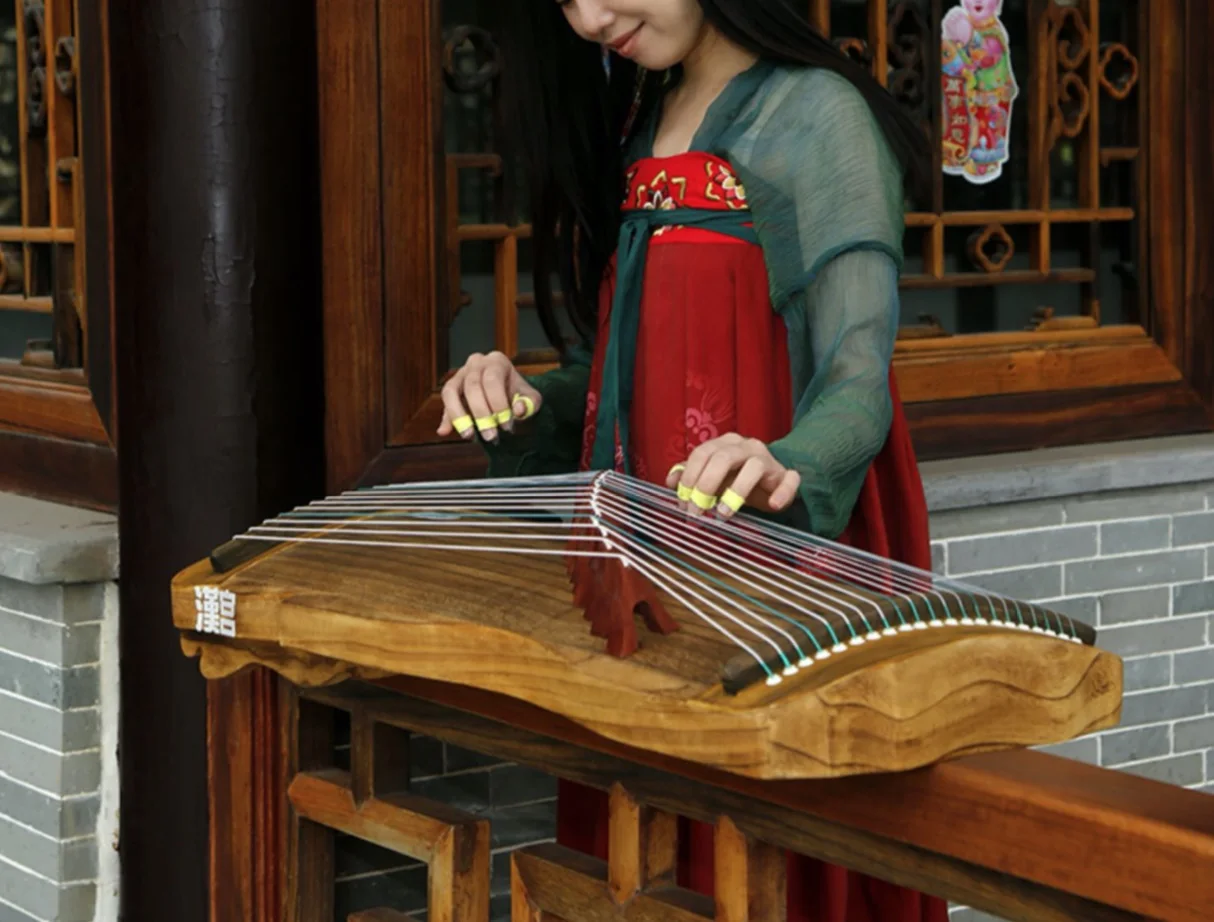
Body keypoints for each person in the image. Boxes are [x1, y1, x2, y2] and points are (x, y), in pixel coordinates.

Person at [438, 2, 943, 920]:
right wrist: (519, 402)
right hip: (644, 580)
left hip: (775, 565)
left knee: (763, 867)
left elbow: (856, 381)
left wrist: (785, 460)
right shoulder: (641, 115)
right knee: (646, 864)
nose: (591, 18)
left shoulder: (817, 113)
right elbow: (617, 373)